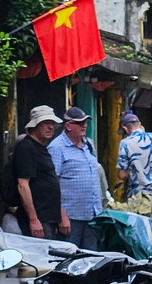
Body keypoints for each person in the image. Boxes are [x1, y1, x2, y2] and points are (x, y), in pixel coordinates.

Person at [48, 106, 103, 249]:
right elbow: (52, 185)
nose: (84, 125)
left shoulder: (88, 144)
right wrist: (61, 217)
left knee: (92, 259)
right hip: (71, 217)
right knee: (70, 258)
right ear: (68, 126)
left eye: (85, 122)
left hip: (93, 214)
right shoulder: (57, 147)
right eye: (79, 123)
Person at [13, 105, 69, 240]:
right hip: (39, 219)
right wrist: (33, 219)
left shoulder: (41, 148)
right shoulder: (27, 148)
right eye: (45, 124)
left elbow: (50, 184)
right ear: (35, 126)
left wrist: (61, 214)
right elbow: (22, 185)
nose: (50, 127)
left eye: (52, 124)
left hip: (49, 218)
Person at [117, 113, 152, 197]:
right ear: (140, 124)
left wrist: (134, 169)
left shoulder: (125, 143)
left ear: (125, 129)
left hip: (137, 196)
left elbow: (122, 175)